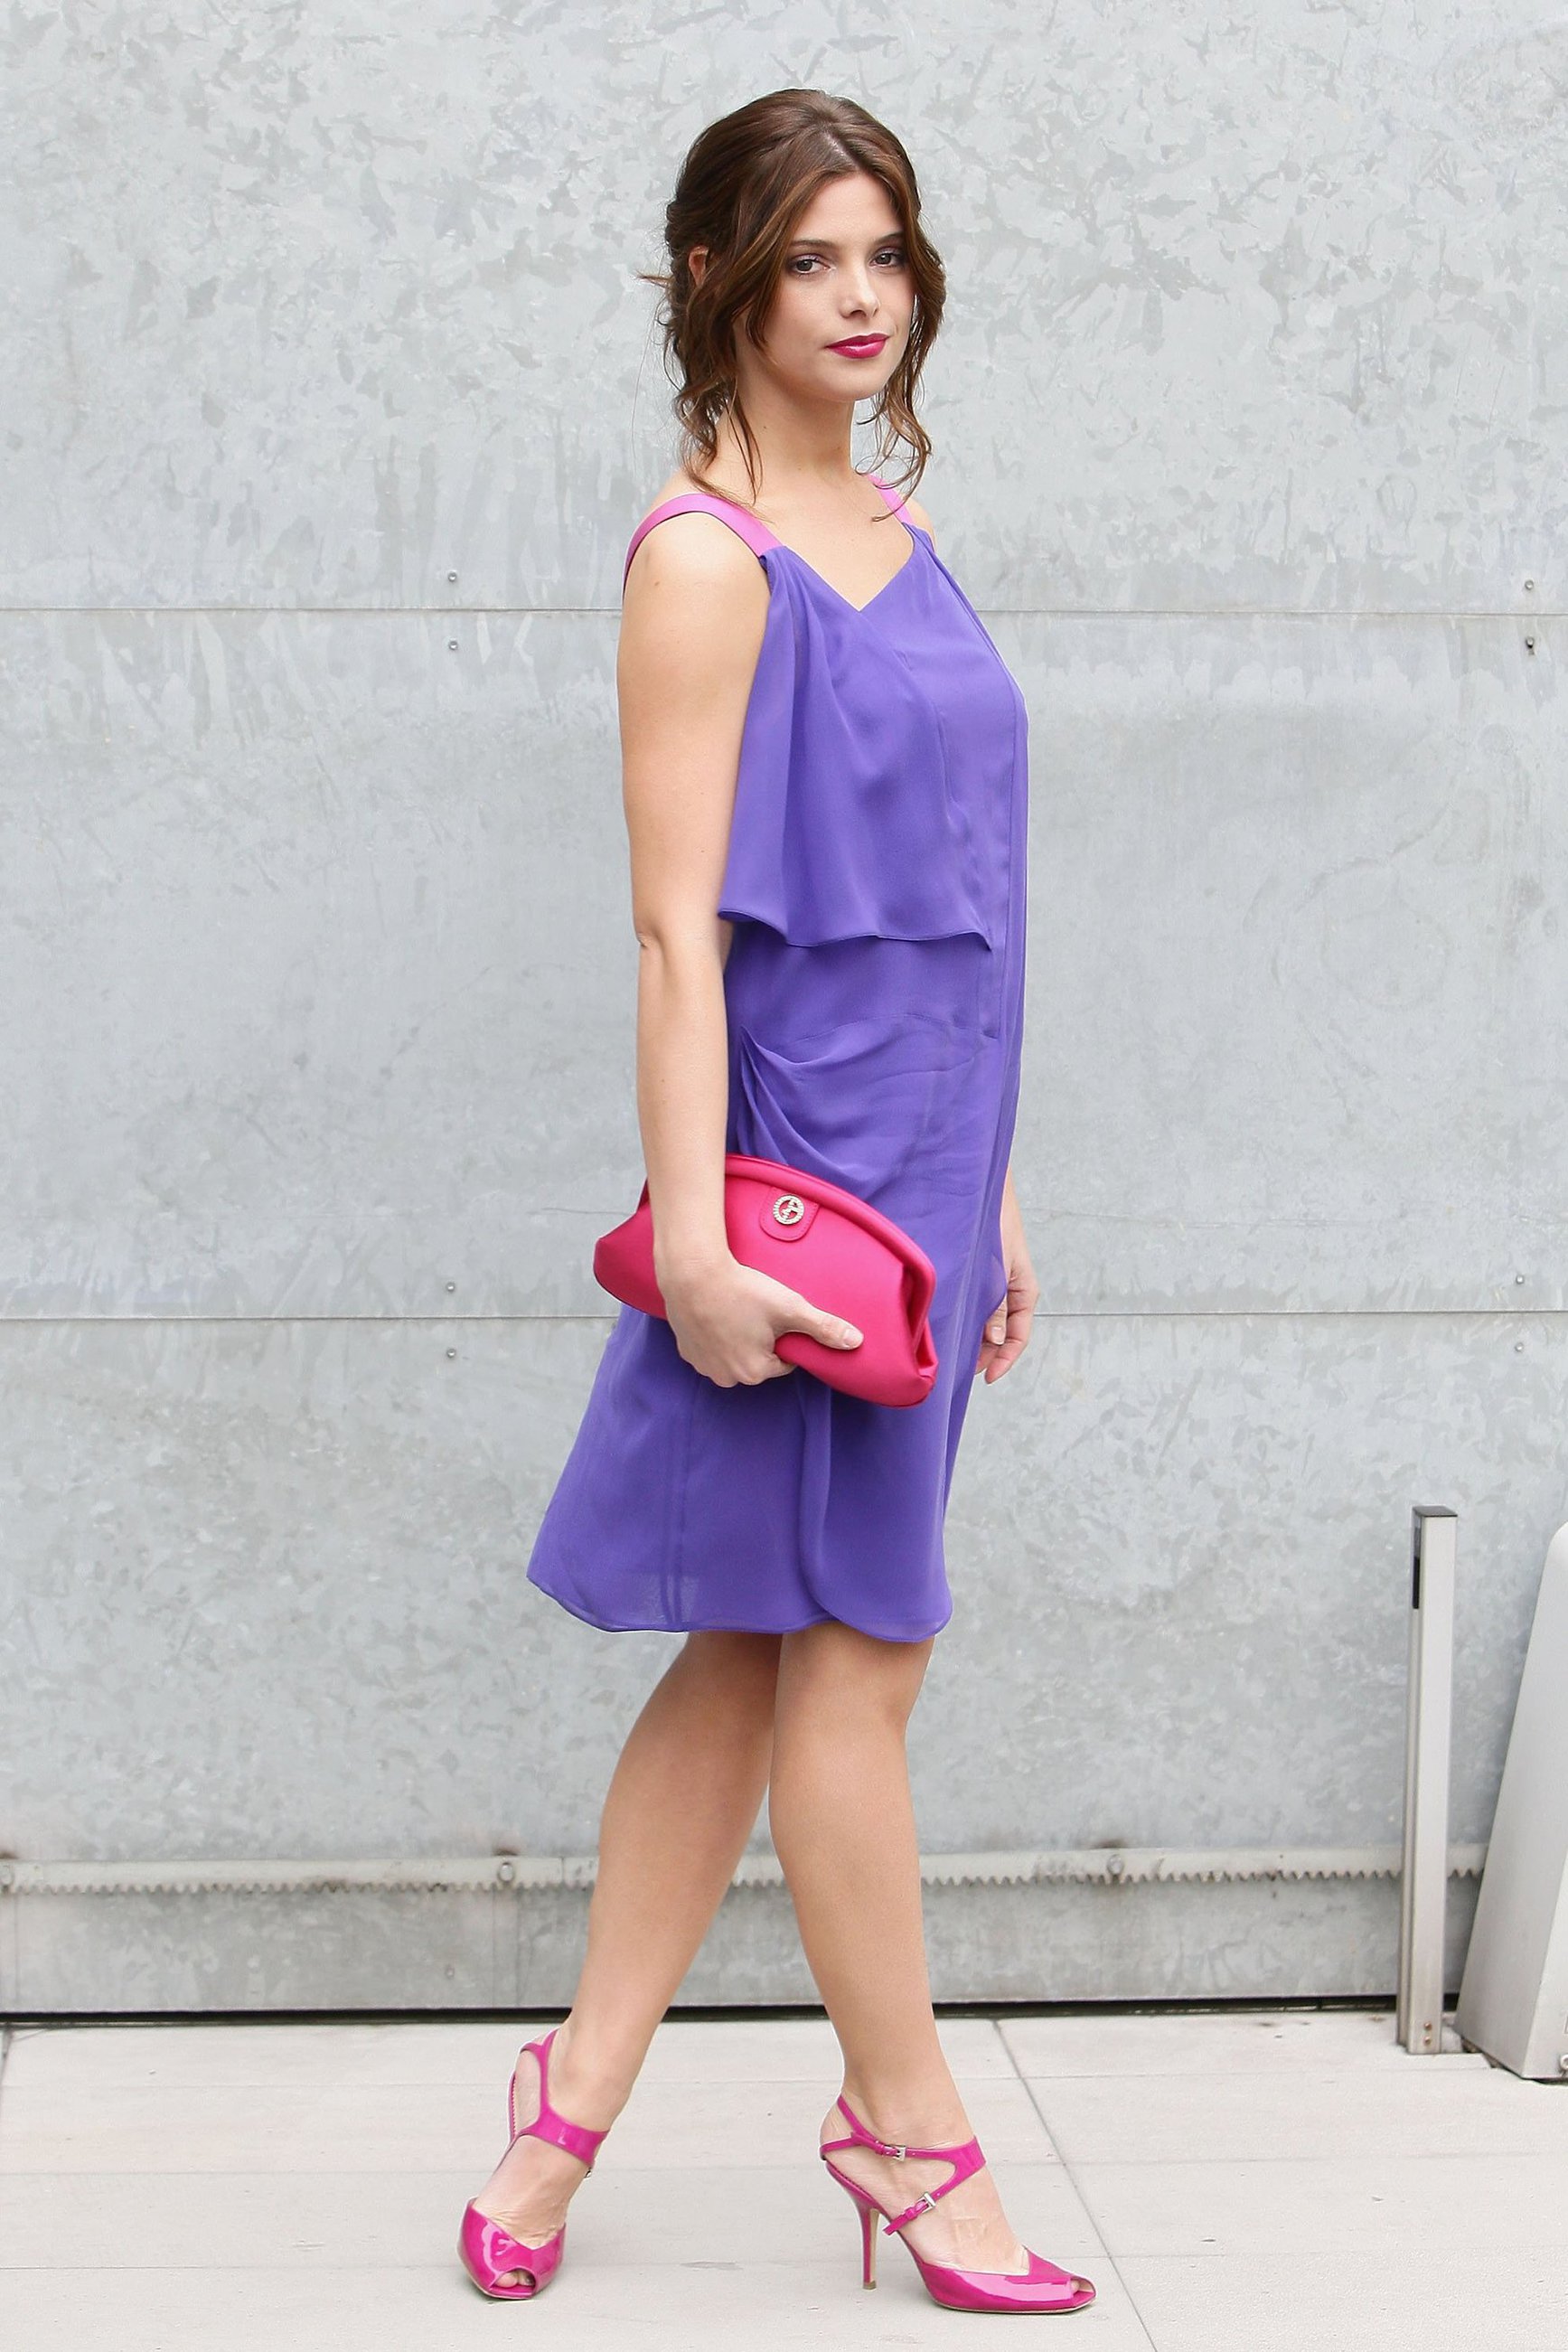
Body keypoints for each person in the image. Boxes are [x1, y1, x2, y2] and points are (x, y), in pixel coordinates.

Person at [457, 89, 1095, 2319]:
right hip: (793, 1174)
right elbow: (666, 936)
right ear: (713, 281)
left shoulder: (903, 528)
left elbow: (963, 896)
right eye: (812, 256)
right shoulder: (703, 560)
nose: (857, 296)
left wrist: (994, 1183)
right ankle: (909, 2132)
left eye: (885, 254)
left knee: (759, 1653)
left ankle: (563, 2103)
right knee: (855, 1654)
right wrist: (698, 1238)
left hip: (929, 1162)